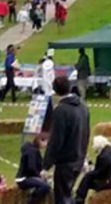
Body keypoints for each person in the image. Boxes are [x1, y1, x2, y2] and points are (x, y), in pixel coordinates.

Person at [46, 75, 91, 204]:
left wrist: (47, 164)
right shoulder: (83, 107)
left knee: (62, 198)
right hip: (79, 158)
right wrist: (84, 155)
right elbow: (86, 133)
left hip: (65, 161)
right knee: (68, 195)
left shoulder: (60, 110)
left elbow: (56, 140)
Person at [17, 133, 51, 204]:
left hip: (25, 177)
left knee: (44, 183)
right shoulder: (32, 151)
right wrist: (39, 175)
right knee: (45, 186)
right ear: (41, 141)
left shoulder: (33, 150)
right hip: (24, 179)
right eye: (46, 143)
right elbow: (31, 167)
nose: (46, 145)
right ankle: (30, 201)